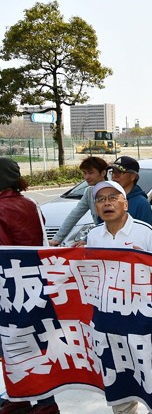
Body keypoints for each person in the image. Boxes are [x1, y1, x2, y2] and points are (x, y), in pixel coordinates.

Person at [85, 180, 152, 414]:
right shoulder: (94, 236)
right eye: (101, 199)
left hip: (141, 319)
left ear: (125, 204)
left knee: (148, 374)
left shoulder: (145, 232)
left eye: (112, 198)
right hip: (110, 319)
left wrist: (147, 264)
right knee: (119, 376)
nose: (106, 203)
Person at [0, 158, 59, 414]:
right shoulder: (30, 203)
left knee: (12, 343)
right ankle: (38, 399)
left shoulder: (1, 207)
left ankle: (28, 398)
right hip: (32, 280)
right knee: (31, 342)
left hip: (6, 285)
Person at [49, 156, 108, 246]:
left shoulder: (114, 191)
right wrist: (57, 239)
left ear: (103, 172)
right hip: (100, 237)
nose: (87, 177)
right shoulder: (89, 191)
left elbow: (111, 223)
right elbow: (75, 214)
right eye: (84, 173)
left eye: (91, 173)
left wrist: (87, 239)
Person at [108, 156, 152, 225]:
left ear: (132, 176)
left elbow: (146, 233)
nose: (114, 176)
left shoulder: (141, 203)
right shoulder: (107, 199)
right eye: (113, 172)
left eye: (119, 172)